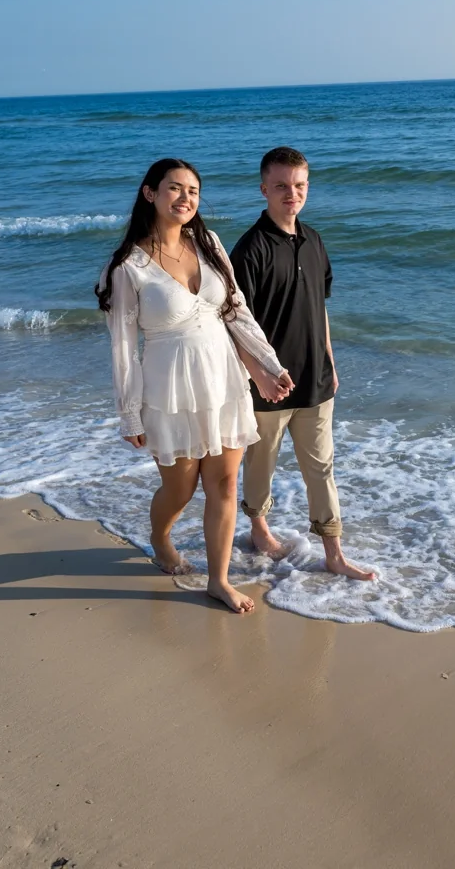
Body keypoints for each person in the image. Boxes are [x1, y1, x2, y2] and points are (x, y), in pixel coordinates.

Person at [95, 158, 294, 614]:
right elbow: (123, 347)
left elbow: (237, 311)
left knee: (224, 485)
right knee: (181, 491)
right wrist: (129, 411)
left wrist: (268, 364)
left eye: (194, 191)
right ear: (150, 194)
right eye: (175, 189)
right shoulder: (129, 266)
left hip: (224, 380)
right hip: (171, 391)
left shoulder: (208, 242)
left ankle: (219, 580)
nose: (186, 198)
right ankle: (160, 536)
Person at [229, 147, 375, 581]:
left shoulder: (314, 239)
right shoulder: (249, 249)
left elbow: (319, 308)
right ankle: (258, 529)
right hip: (269, 384)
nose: (291, 194)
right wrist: (260, 374)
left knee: (321, 467)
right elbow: (234, 324)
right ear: (264, 189)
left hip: (315, 380)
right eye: (281, 186)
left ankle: (334, 552)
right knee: (261, 465)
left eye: (299, 186)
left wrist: (329, 359)